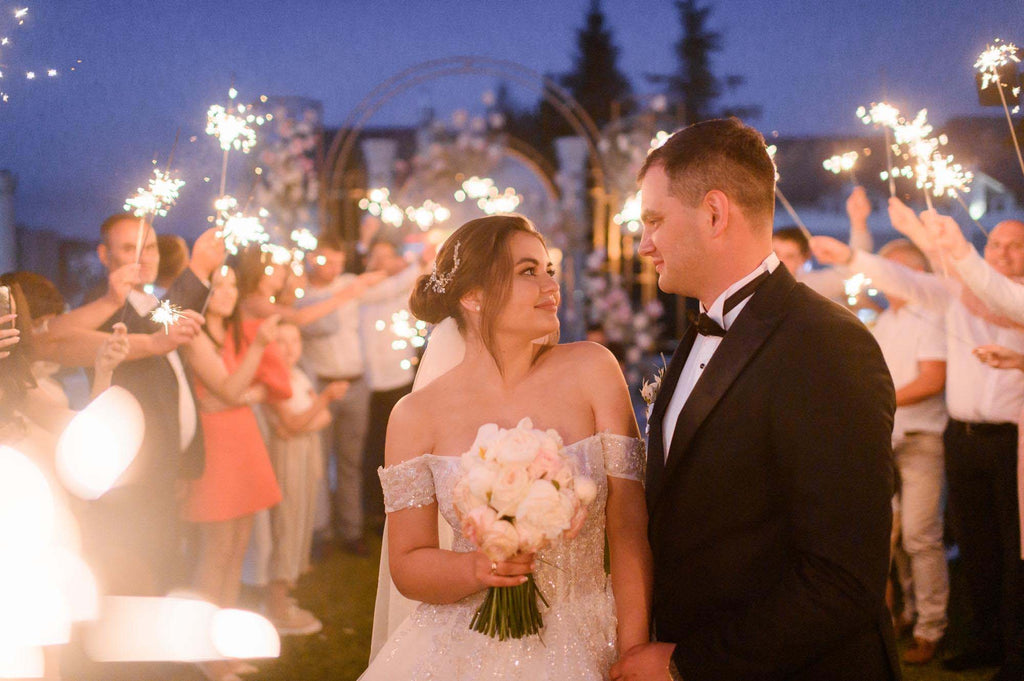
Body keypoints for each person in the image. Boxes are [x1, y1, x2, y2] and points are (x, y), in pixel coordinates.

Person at [612, 118, 898, 681]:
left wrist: (685, 665)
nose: (643, 244)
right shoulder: (701, 329)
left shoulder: (825, 345)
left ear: (715, 213)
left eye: (654, 220)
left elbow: (843, 578)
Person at [360, 214, 651, 680]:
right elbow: (408, 564)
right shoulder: (416, 416)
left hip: (590, 629)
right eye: (527, 272)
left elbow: (630, 529)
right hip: (463, 643)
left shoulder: (593, 369)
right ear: (473, 296)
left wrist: (634, 649)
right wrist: (478, 568)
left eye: (549, 270)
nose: (550, 285)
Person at [813, 211, 1024, 680]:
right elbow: (908, 280)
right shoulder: (953, 298)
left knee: (1007, 550)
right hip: (961, 436)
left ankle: (1010, 652)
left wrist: (941, 245)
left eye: (1015, 246)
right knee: (976, 545)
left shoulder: (1009, 299)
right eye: (995, 245)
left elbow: (970, 296)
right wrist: (852, 254)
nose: (1003, 254)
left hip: (1009, 439)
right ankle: (985, 640)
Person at [178, 265, 289, 681]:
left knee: (238, 548)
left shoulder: (235, 332)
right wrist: (257, 351)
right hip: (216, 450)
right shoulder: (195, 338)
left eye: (230, 284)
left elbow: (250, 388)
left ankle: (223, 644)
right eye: (216, 284)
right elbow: (227, 389)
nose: (225, 292)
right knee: (216, 552)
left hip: (242, 438)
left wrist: (240, 392)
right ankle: (205, 650)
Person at [868, 240, 950, 665]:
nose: (884, 278)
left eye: (892, 270)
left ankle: (932, 628)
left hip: (921, 440)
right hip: (888, 438)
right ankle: (908, 612)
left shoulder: (931, 317)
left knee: (920, 535)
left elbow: (933, 379)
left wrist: (881, 399)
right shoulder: (886, 321)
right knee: (893, 538)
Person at [296, 236, 383, 555]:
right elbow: (316, 324)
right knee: (318, 465)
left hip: (355, 384)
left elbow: (382, 281)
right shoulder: (301, 295)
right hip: (320, 388)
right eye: (325, 261)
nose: (332, 268)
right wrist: (344, 294)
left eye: (337, 261)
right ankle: (320, 531)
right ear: (311, 258)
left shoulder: (350, 283)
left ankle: (351, 530)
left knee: (350, 462)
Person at [265, 322, 348, 634]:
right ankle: (275, 604)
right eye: (281, 342)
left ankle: (285, 596)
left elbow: (308, 422)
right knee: (284, 526)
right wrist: (323, 399)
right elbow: (295, 421)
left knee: (299, 521)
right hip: (286, 461)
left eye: (294, 341)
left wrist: (301, 422)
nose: (289, 349)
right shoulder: (275, 381)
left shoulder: (299, 376)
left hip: (303, 454)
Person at [359, 239, 431, 539]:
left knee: (400, 450)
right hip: (372, 383)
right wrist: (416, 264)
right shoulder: (364, 288)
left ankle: (399, 511)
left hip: (401, 379)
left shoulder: (403, 290)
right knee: (374, 451)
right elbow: (386, 286)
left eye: (389, 256)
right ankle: (373, 513)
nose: (384, 262)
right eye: (378, 256)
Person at [771, 186, 874, 301]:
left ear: (803, 259)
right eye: (775, 252)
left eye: (789, 256)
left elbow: (853, 270)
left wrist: (859, 221)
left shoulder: (809, 288)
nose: (778, 260)